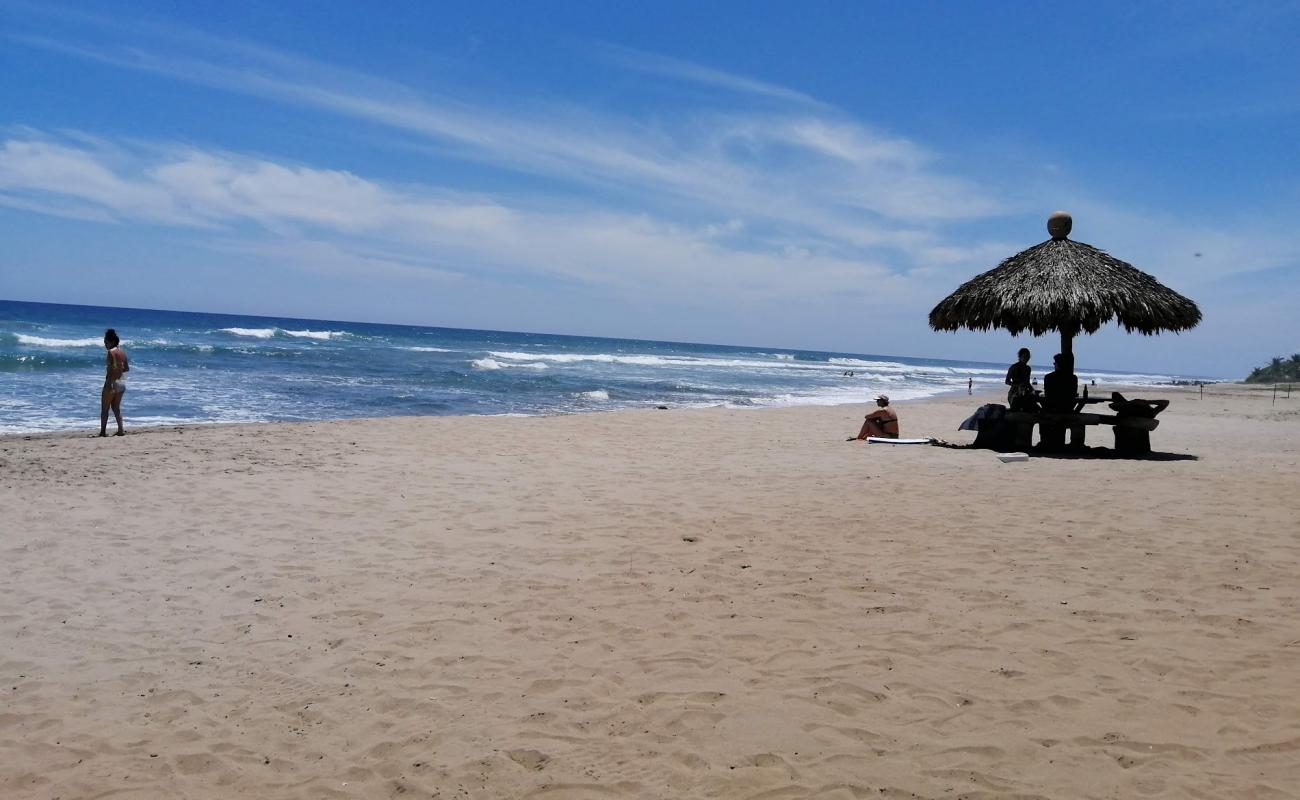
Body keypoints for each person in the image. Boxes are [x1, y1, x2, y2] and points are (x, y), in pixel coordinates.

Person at [1041, 353, 1083, 449]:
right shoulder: (1073, 378)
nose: (1054, 365)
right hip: (1067, 409)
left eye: (1054, 363)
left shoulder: (1048, 377)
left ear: (1057, 364)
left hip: (1052, 409)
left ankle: (1045, 441)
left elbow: (1048, 395)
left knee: (1041, 413)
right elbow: (1073, 394)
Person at [99, 328, 129, 437]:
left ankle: (103, 432)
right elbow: (126, 368)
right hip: (121, 382)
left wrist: (110, 382)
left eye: (106, 342)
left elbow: (111, 369)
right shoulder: (122, 353)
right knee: (116, 408)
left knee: (105, 409)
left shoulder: (110, 353)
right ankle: (121, 430)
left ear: (111, 342)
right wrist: (118, 370)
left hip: (111, 382)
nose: (105, 344)